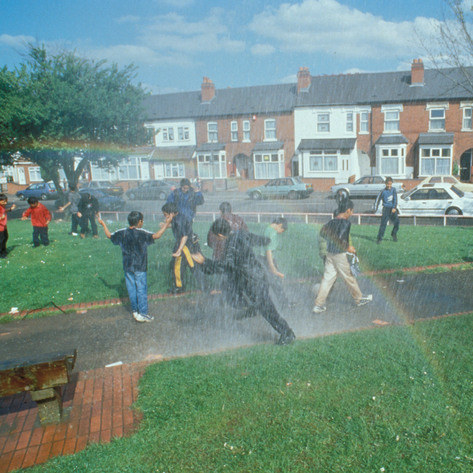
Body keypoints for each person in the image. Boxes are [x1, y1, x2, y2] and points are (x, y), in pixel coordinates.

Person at [201, 218, 296, 345]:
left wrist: (205, 262)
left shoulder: (231, 244)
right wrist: (266, 240)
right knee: (237, 292)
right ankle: (252, 308)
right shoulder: (241, 233)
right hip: (256, 276)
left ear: (220, 235)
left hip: (253, 281)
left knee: (267, 310)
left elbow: (225, 266)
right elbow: (261, 240)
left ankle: (287, 333)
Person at [98, 210, 172, 323]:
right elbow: (156, 236)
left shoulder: (122, 232)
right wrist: (167, 223)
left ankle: (135, 311)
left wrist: (103, 224)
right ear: (140, 221)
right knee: (141, 289)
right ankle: (143, 313)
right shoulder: (142, 233)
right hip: (140, 266)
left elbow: (109, 235)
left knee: (132, 289)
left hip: (127, 266)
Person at [313, 200, 372, 313]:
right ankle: (358, 299)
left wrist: (332, 239)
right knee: (349, 277)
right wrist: (348, 247)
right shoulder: (346, 223)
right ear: (348, 210)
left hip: (330, 254)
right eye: (352, 211)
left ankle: (318, 304)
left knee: (327, 279)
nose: (352, 213)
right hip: (340, 255)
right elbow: (341, 238)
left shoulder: (331, 222)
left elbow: (322, 233)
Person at [162, 202, 206, 294]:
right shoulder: (178, 217)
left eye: (166, 215)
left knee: (184, 265)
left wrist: (179, 250)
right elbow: (179, 227)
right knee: (191, 265)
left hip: (186, 245)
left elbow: (184, 236)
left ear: (171, 213)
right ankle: (204, 285)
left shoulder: (178, 220)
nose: (165, 217)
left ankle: (180, 287)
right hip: (191, 244)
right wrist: (166, 225)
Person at [258, 217, 292, 308]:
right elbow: (268, 251)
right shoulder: (272, 233)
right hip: (267, 260)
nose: (281, 232)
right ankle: (284, 303)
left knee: (264, 283)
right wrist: (272, 267)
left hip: (262, 259)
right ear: (280, 225)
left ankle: (262, 304)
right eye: (282, 230)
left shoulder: (267, 229)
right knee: (276, 282)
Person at [374, 177, 400, 244]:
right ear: (385, 184)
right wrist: (375, 209)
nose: (389, 185)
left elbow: (395, 199)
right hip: (386, 209)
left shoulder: (394, 190)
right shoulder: (383, 191)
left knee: (397, 222)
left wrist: (394, 207)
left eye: (390, 184)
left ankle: (393, 234)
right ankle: (379, 238)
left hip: (393, 209)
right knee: (383, 225)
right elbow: (377, 200)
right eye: (388, 184)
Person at [0, 194, 16, 258]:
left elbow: (3, 211)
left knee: (5, 238)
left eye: (6, 201)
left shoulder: (2, 206)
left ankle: (3, 251)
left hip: (3, 226)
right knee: (1, 240)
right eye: (4, 201)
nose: (5, 203)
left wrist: (10, 209)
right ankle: (2, 253)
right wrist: (1, 218)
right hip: (0, 227)